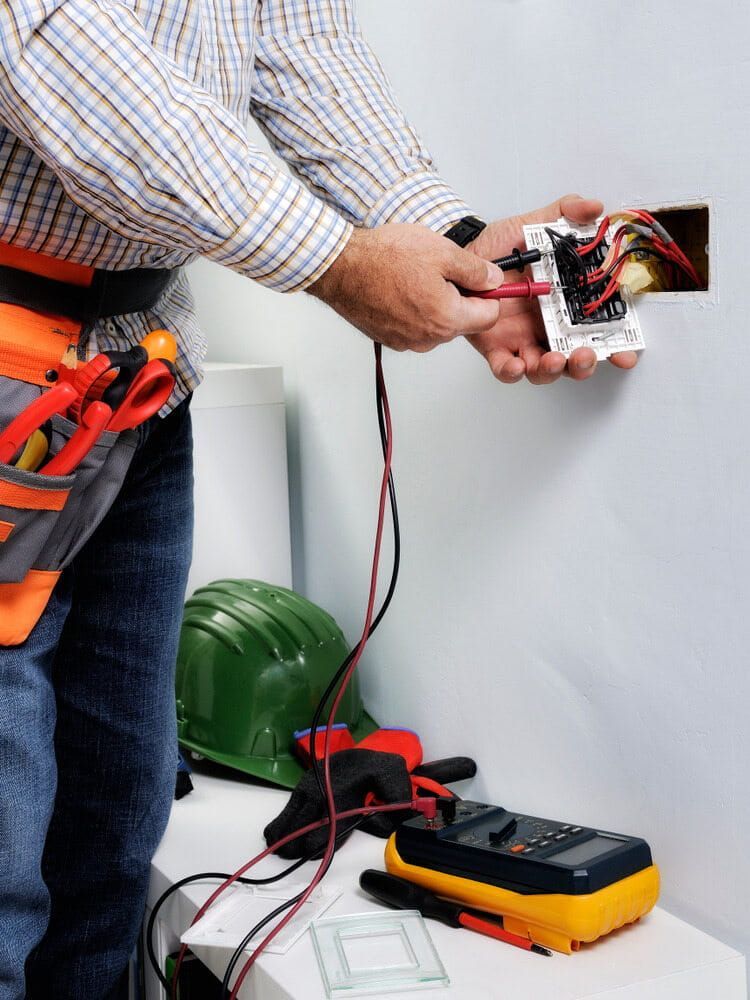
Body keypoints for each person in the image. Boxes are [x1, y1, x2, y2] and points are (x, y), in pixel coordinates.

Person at [0, 1, 637, 997]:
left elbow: (300, 45)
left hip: (137, 373)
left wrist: (460, 243)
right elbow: (62, 45)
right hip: (14, 365)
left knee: (113, 828)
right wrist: (331, 260)